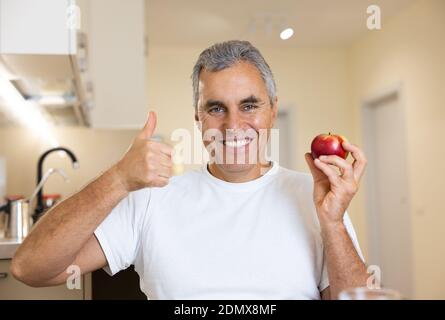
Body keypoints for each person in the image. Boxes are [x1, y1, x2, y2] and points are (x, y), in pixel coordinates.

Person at [11, 40, 368, 300]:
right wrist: (118, 178)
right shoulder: (152, 199)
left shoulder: (316, 200)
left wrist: (334, 223)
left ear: (272, 109)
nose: (232, 125)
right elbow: (31, 268)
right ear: (197, 118)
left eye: (249, 105)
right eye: (215, 108)